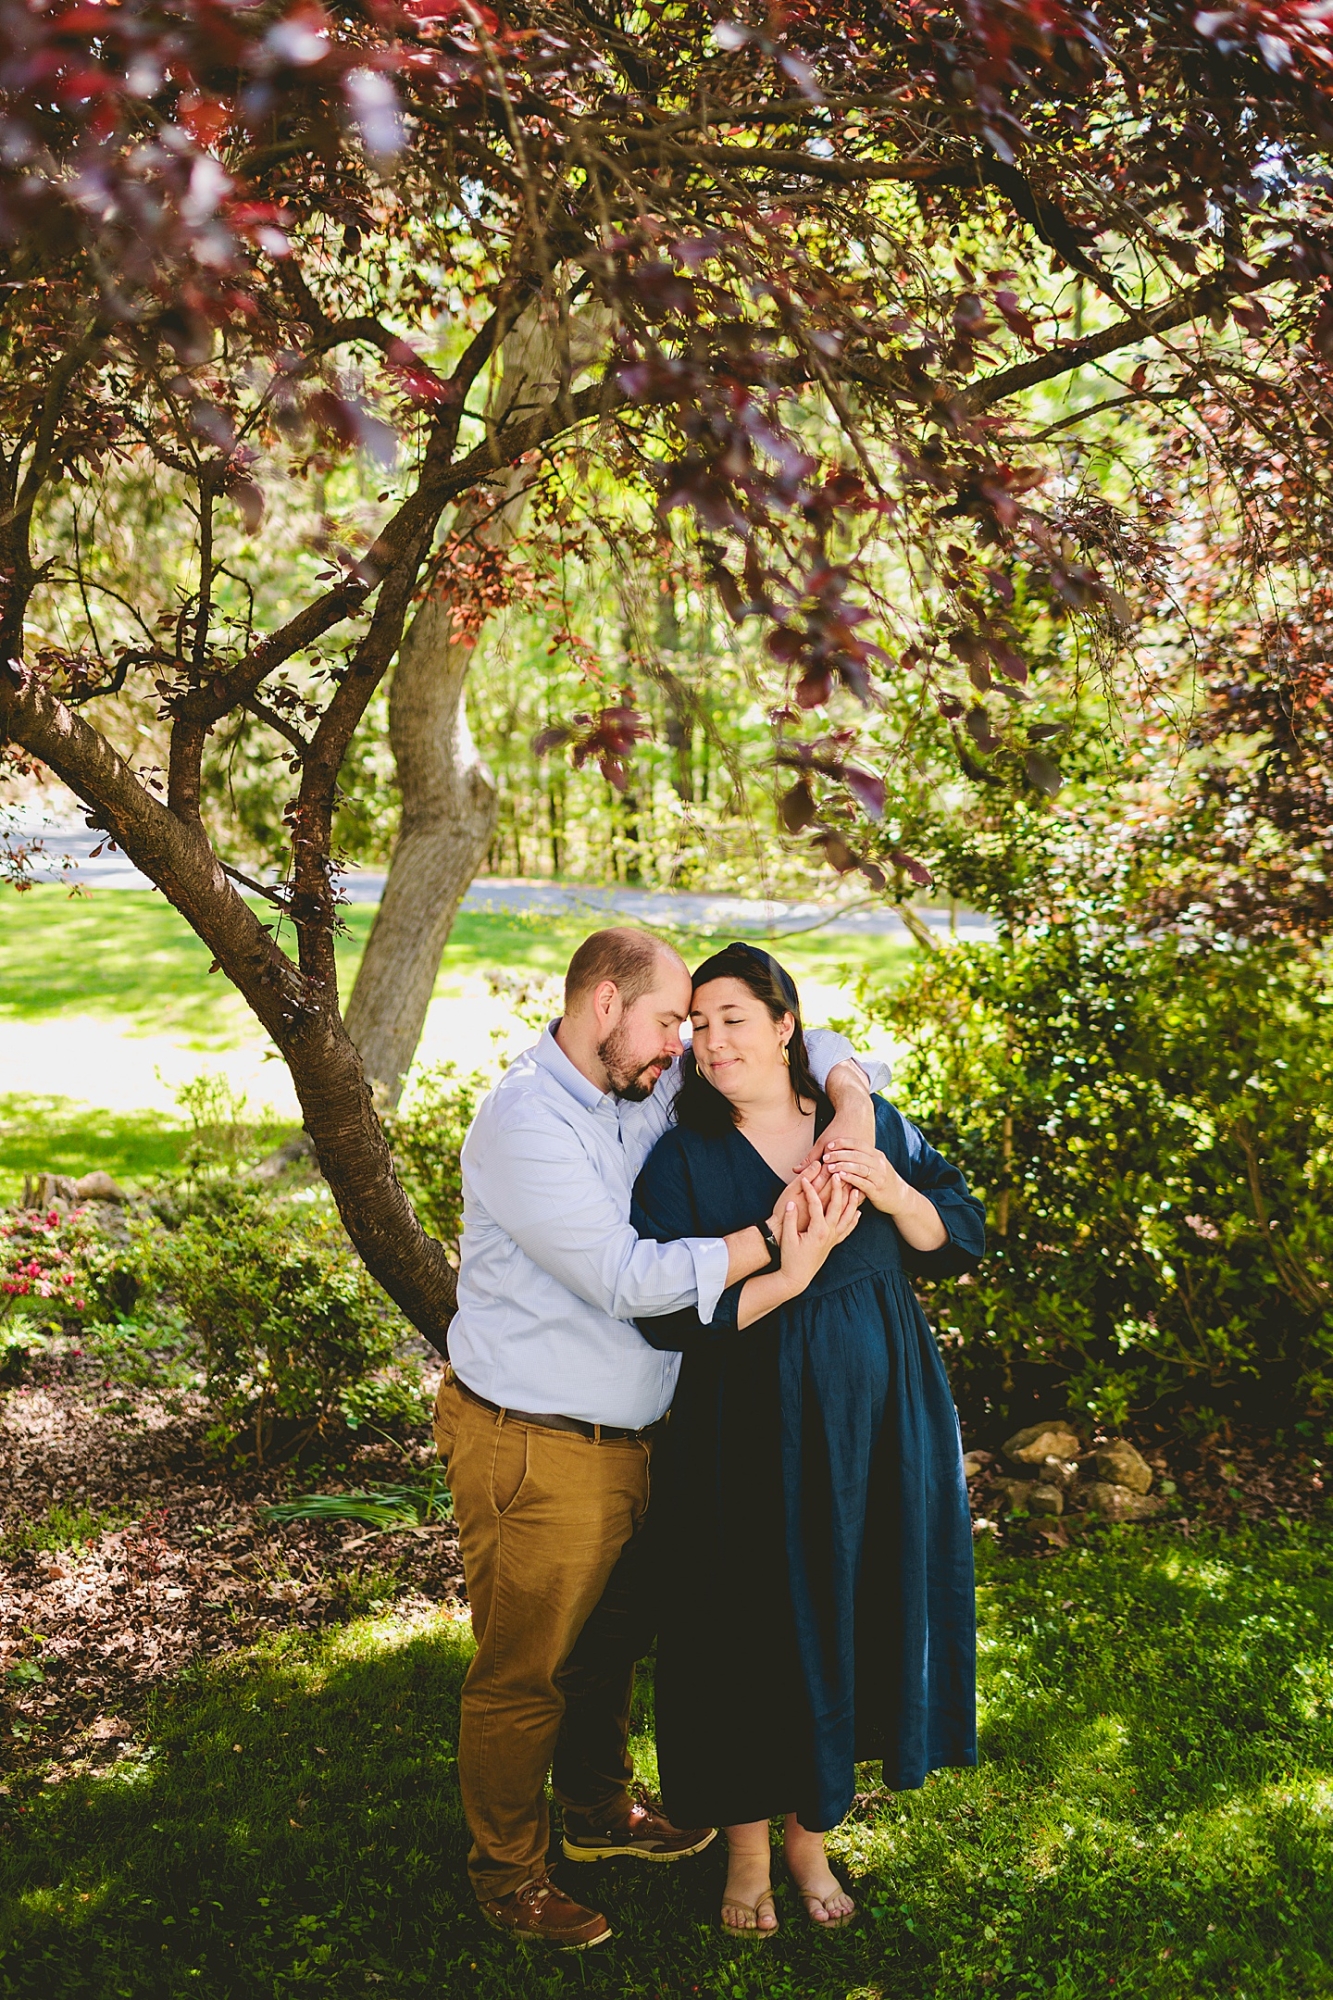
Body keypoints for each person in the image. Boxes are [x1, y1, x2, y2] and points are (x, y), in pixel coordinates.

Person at [431, 926, 888, 1949]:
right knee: (524, 1672)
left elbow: (812, 1041)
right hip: (537, 1440)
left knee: (606, 1651)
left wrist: (851, 1098)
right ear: (603, 1003)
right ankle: (508, 1871)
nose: (683, 1044)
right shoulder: (528, 1122)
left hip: (641, 1436)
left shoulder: (635, 1089)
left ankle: (596, 1813)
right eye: (669, 1021)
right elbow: (628, 1278)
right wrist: (785, 1234)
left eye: (688, 1024)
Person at [631, 941, 985, 1937]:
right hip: (748, 1419)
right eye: (697, 1024)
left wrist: (890, 1187)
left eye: (732, 1017)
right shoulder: (685, 1158)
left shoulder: (860, 1126)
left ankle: (809, 1831)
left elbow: (958, 1233)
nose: (710, 1039)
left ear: (786, 1024)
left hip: (882, 1417)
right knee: (748, 1622)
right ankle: (745, 1847)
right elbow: (665, 1317)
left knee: (850, 1605)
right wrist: (788, 1258)